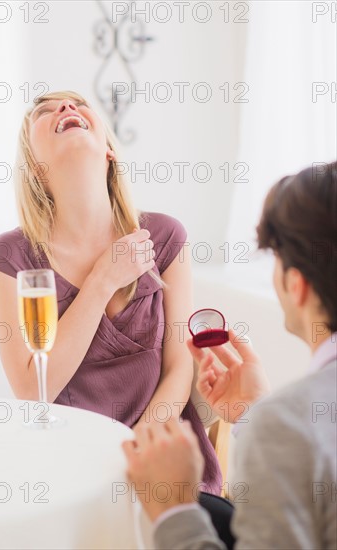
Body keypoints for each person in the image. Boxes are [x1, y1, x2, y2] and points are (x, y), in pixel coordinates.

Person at [0, 91, 222, 494]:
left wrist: (133, 453)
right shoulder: (12, 254)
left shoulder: (165, 236)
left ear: (109, 150)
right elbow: (31, 390)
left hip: (163, 462)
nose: (66, 108)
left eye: (79, 104)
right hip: (69, 474)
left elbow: (179, 370)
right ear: (36, 169)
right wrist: (103, 279)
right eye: (45, 112)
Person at [123, 161, 337, 549]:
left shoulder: (289, 426)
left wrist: (174, 510)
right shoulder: (289, 423)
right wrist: (259, 414)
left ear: (296, 284)